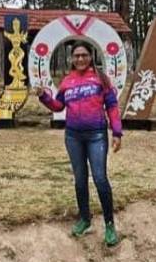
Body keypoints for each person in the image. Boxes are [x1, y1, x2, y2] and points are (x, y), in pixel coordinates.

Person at [31, 41, 123, 246]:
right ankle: (84, 219)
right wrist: (43, 96)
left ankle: (109, 225)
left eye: (84, 55)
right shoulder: (67, 81)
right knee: (80, 179)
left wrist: (117, 132)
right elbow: (58, 106)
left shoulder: (101, 79)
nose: (80, 59)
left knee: (100, 179)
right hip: (73, 136)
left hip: (96, 135)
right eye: (76, 56)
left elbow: (112, 107)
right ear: (71, 59)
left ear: (91, 57)